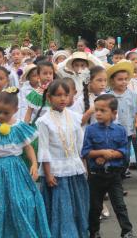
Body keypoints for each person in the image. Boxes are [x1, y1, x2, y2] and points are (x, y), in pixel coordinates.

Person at [0, 87, 50, 237]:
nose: (1, 115)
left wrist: (34, 164)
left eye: (5, 112)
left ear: (15, 110)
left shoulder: (19, 126)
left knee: (19, 201)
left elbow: (28, 147)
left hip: (16, 168)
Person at [37, 80, 89, 238]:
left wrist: (84, 165)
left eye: (66, 95)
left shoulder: (75, 117)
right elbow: (44, 148)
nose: (62, 99)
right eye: (58, 95)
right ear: (49, 97)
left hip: (74, 167)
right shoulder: (44, 121)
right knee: (61, 207)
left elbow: (80, 144)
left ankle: (78, 232)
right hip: (56, 171)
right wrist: (48, 173)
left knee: (77, 204)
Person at [82, 94, 134, 238]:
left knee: (119, 205)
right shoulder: (91, 130)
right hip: (96, 175)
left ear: (114, 113)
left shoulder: (120, 130)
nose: (98, 113)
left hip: (114, 174)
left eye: (102, 110)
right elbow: (85, 151)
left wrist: (112, 155)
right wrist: (100, 153)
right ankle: (94, 232)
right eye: (96, 110)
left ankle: (127, 231)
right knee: (95, 207)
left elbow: (124, 150)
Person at [107, 61, 137, 179]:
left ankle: (136, 168)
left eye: (126, 79)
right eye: (120, 79)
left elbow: (135, 110)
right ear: (113, 80)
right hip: (117, 129)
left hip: (131, 128)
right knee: (122, 153)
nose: (124, 82)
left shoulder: (132, 94)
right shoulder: (109, 96)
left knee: (132, 151)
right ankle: (119, 173)